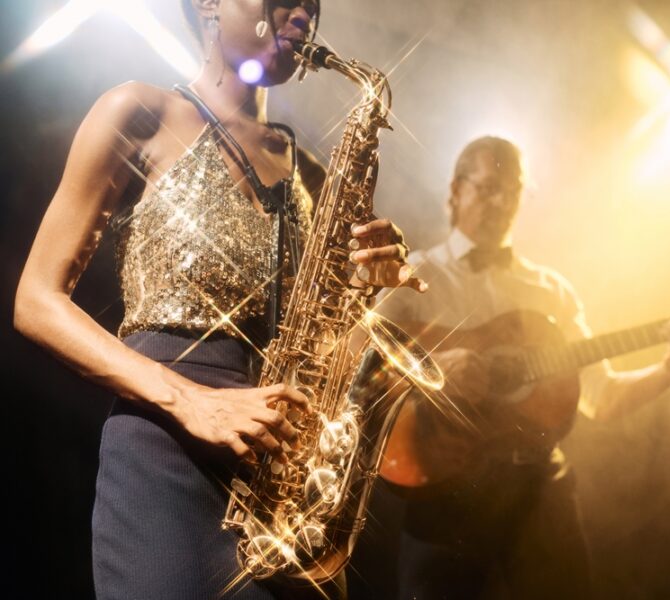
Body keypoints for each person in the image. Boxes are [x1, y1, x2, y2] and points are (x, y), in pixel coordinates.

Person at [13, 1, 423, 598]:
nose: (302, 12)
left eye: (312, 2)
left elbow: (322, 338)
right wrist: (191, 401)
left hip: (283, 478)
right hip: (166, 454)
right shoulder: (139, 111)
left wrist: (367, 284)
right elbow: (35, 300)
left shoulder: (315, 173)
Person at [374, 136, 670, 599]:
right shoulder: (413, 276)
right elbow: (357, 363)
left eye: (513, 191)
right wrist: (429, 370)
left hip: (538, 491)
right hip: (443, 484)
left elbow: (603, 398)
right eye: (488, 188)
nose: (501, 203)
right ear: (455, 190)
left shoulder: (552, 292)